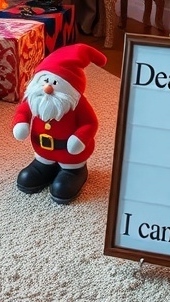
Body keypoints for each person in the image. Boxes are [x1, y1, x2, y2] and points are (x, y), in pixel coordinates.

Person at [12, 43, 106, 204]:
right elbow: (22, 111)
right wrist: (21, 123)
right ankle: (44, 166)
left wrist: (80, 138)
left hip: (71, 156)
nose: (48, 88)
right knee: (26, 179)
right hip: (43, 152)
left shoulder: (77, 103)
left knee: (62, 188)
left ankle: (75, 172)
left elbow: (90, 123)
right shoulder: (36, 98)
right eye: (45, 81)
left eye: (55, 83)